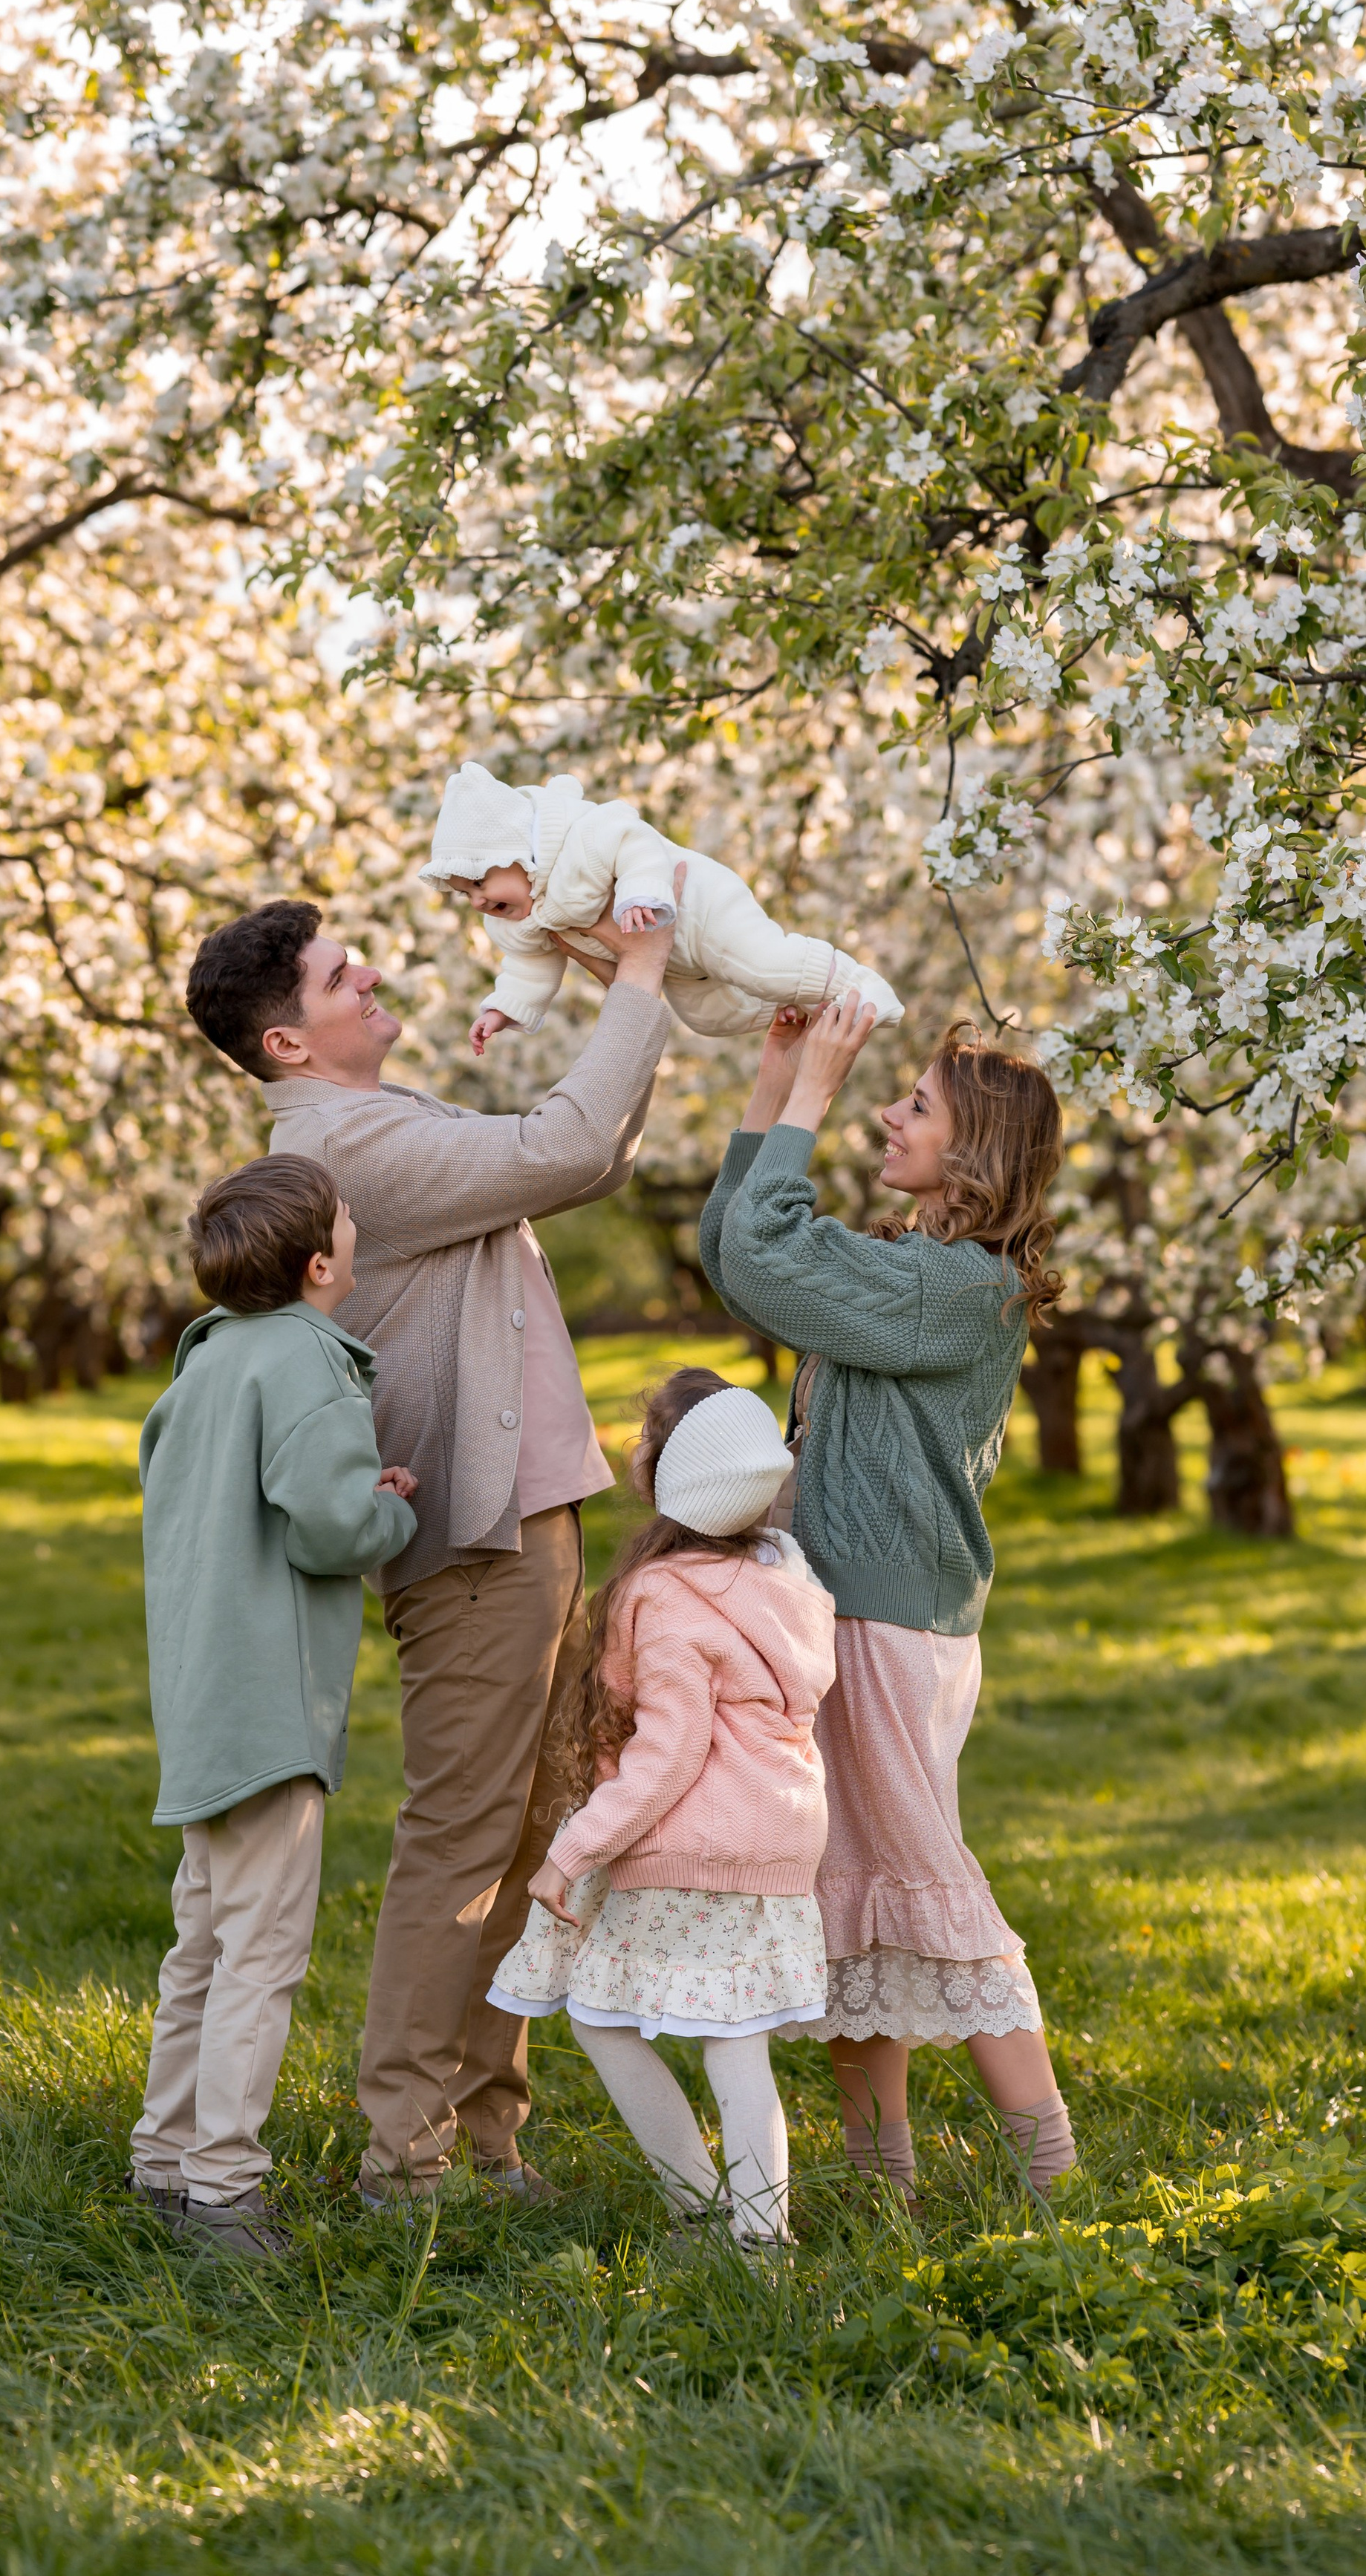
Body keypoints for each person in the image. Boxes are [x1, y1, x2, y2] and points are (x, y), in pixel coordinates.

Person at [180, 885, 680, 2205]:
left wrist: (644, 991)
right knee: (466, 1837)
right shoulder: (347, 1151)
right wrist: (638, 972)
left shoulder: (381, 1120)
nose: (372, 977)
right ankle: (408, 2153)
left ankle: (485, 2129)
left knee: (524, 1833)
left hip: (519, 1510)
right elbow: (567, 1146)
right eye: (345, 975)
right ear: (289, 1041)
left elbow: (588, 1154)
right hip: (472, 1530)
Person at [701, 1005, 1077, 2207]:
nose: (885, 1114)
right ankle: (879, 2190)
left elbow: (763, 1253)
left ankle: (1054, 2174)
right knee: (861, 1895)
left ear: (978, 1153)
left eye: (914, 1103)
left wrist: (813, 1083)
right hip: (858, 1613)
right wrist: (772, 1080)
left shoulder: (951, 1288)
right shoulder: (905, 1266)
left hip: (887, 1626)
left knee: (928, 1886)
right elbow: (739, 1246)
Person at [129, 1154, 419, 2261]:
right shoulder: (306, 1357)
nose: (357, 1232)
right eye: (350, 1222)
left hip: (201, 1695)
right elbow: (328, 1529)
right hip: (269, 1706)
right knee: (261, 1953)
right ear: (318, 1263)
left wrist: (348, 1494)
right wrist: (386, 1512)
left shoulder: (202, 1367)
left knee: (202, 1941)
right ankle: (223, 2192)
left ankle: (163, 2160)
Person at [488, 1369, 836, 2252]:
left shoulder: (665, 1595)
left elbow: (672, 1750)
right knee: (738, 2044)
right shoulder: (788, 1579)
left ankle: (705, 2211)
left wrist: (573, 1848)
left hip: (692, 1847)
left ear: (668, 1472)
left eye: (646, 1434)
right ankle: (761, 2241)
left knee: (600, 2015)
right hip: (780, 1842)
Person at [421, 760, 902, 1052]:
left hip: (699, 908)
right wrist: (505, 1009)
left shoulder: (581, 841)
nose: (479, 900)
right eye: (466, 894)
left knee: (762, 966)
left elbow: (635, 840)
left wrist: (640, 891)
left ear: (519, 852)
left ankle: (860, 985)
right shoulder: (522, 924)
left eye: (482, 880)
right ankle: (810, 1007)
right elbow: (529, 969)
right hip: (673, 964)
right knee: (708, 1019)